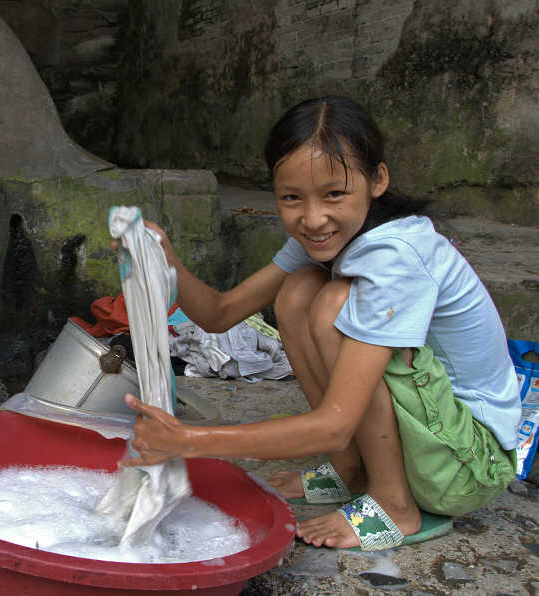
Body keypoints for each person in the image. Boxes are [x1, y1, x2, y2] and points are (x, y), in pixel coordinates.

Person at [118, 96, 521, 551]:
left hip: (469, 464)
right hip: (433, 443)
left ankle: (395, 505)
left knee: (332, 302)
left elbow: (335, 423)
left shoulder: (396, 256)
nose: (312, 218)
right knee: (297, 292)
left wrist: (189, 440)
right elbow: (218, 313)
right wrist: (167, 261)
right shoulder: (324, 236)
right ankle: (351, 470)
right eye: (292, 198)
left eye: (334, 194)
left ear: (377, 180)